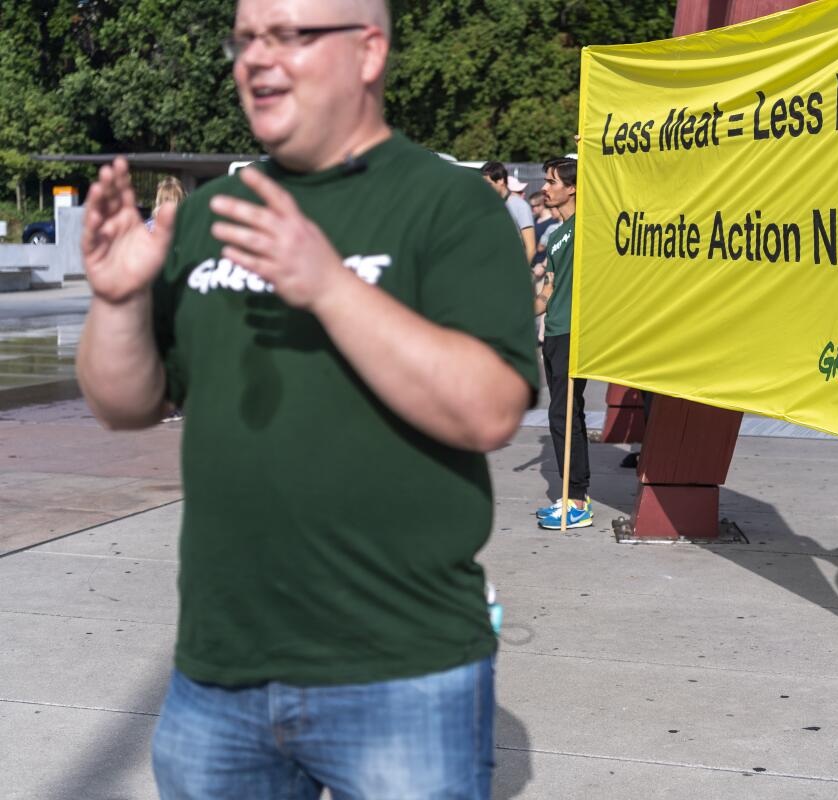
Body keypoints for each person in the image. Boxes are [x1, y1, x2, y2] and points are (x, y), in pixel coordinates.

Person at [75, 0, 537, 796]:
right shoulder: (216, 214)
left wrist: (327, 284)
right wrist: (117, 301)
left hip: (402, 675)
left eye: (288, 35)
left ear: (368, 52)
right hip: (218, 675)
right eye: (246, 37)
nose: (256, 58)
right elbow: (125, 404)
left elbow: (491, 410)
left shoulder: (449, 205)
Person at [533, 157, 592, 529]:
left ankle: (578, 500)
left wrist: (587, 154)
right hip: (554, 331)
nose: (546, 187)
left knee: (565, 415)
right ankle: (570, 496)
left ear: (571, 187)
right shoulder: (555, 235)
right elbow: (549, 290)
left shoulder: (588, 224)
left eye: (552, 181)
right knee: (561, 413)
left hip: (577, 330)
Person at [481, 161, 536, 264]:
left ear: (501, 180)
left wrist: (519, 275)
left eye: (488, 184)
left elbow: (531, 248)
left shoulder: (520, 206)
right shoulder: (488, 204)